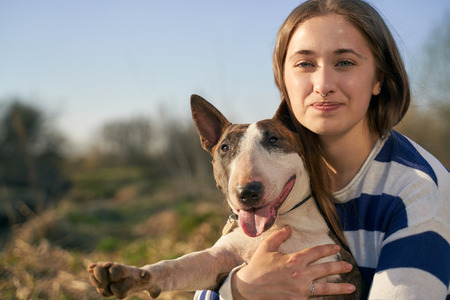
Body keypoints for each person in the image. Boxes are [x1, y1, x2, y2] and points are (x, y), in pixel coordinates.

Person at [195, 0, 450, 299]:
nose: (323, 84)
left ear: (379, 78)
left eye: (344, 62)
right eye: (305, 64)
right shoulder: (273, 178)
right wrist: (239, 288)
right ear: (283, 81)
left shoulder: (419, 193)